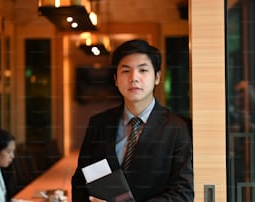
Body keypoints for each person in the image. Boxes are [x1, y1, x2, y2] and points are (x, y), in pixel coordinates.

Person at [71, 39, 194, 201]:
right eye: (125, 71)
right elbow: (80, 181)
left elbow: (183, 192)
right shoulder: (99, 124)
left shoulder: (178, 128)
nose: (134, 78)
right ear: (115, 79)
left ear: (157, 77)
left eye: (143, 70)